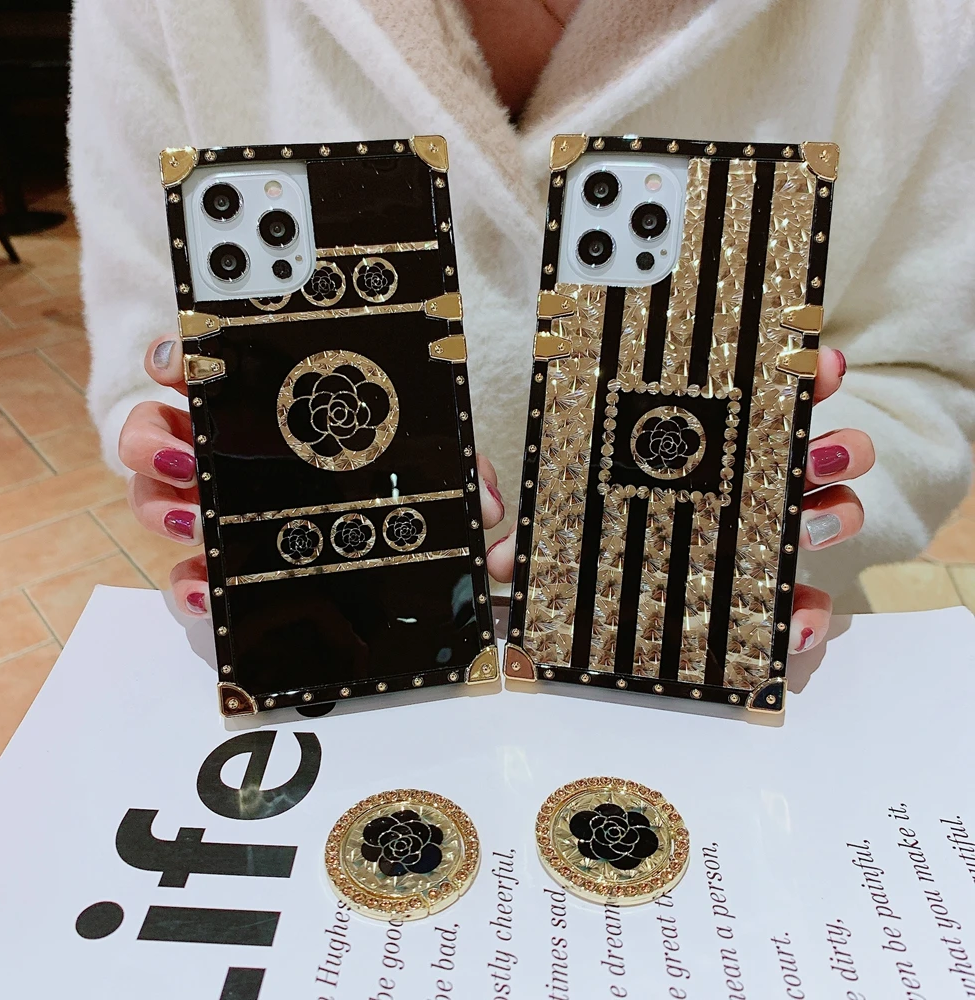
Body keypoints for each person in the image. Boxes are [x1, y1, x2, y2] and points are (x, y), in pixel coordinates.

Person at [69, 0, 974, 653]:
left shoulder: (916, 25)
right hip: (343, 639)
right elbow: (150, 329)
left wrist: (791, 502)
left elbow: (921, 375)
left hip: (701, 644)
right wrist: (193, 442)